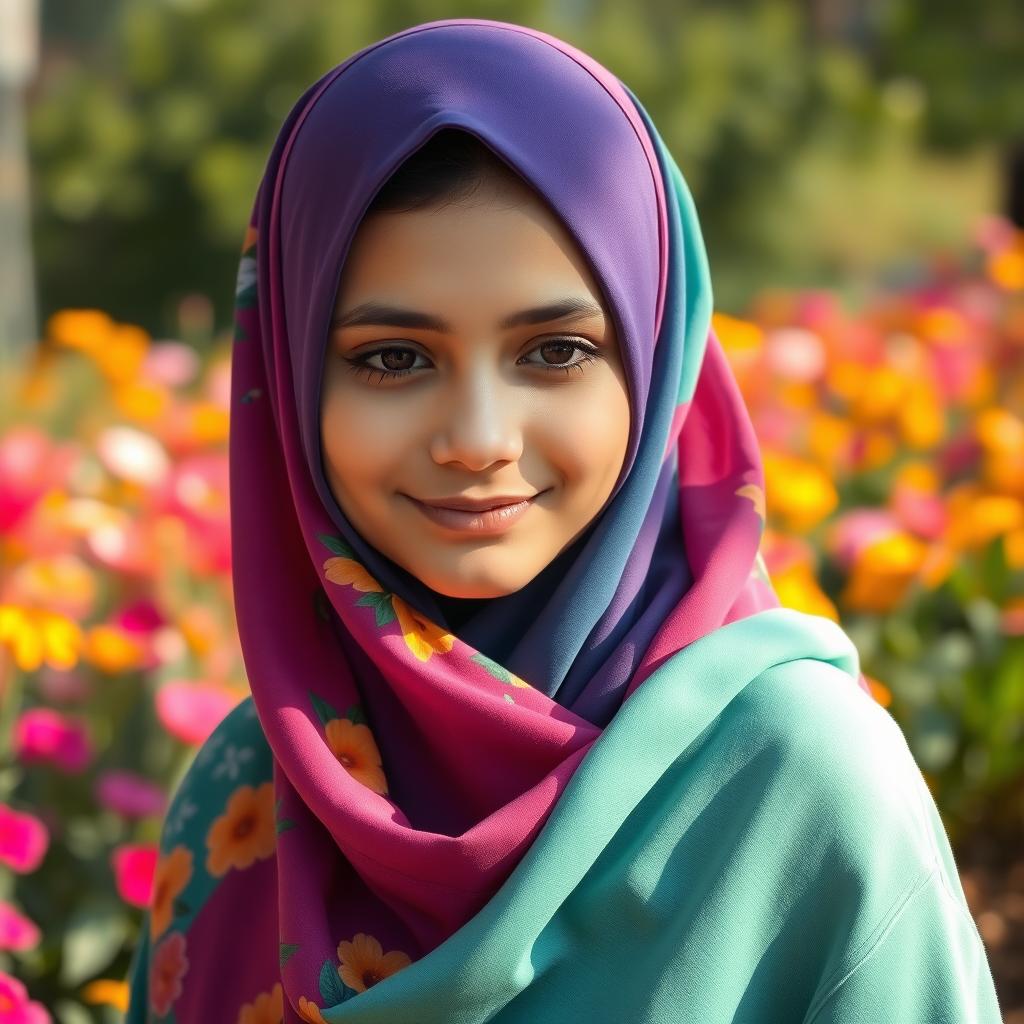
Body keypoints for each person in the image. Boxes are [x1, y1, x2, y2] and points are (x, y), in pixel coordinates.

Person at [125, 18, 1003, 1023]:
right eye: (392, 358)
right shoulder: (244, 799)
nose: (477, 439)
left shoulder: (802, 788)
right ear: (286, 386)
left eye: (554, 351)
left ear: (657, 358)